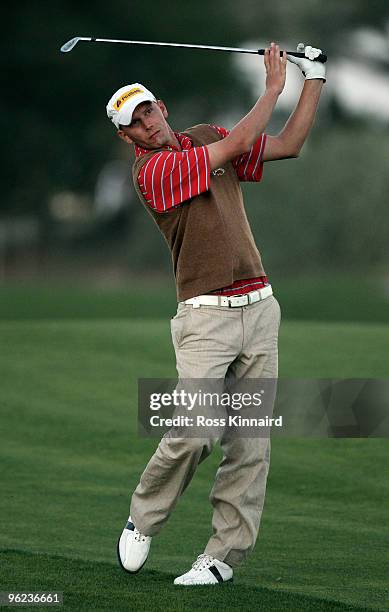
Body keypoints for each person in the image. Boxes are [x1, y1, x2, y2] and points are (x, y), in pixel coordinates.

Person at [106, 42, 326, 585]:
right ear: (127, 138)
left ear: (162, 107)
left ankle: (222, 558)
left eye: (149, 110)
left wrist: (314, 78)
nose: (148, 124)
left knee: (250, 444)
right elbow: (236, 147)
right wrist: (274, 85)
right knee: (195, 431)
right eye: (135, 123)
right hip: (205, 316)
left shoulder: (204, 133)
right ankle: (143, 517)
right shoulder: (153, 173)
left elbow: (290, 145)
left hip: (260, 306)